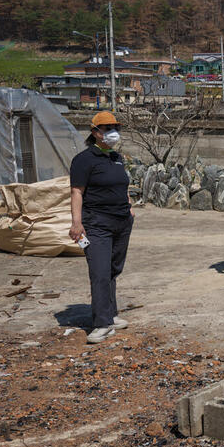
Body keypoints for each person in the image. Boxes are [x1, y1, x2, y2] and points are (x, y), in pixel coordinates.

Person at [69, 111, 134, 344]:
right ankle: (101, 323)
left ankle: (110, 313)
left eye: (115, 127)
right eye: (107, 128)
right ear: (95, 131)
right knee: (99, 271)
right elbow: (77, 191)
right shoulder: (84, 160)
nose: (112, 132)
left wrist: (128, 205)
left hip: (122, 222)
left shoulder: (116, 157)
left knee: (112, 270)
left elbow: (122, 184)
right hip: (96, 224)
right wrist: (77, 223)